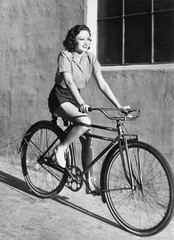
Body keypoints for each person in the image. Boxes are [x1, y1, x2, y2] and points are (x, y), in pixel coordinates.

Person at [48, 25, 130, 194]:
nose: (86, 42)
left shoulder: (90, 58)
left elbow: (102, 84)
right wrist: (81, 103)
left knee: (88, 139)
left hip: (75, 98)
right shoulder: (65, 56)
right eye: (82, 39)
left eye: (89, 39)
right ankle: (61, 148)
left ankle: (89, 182)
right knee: (85, 122)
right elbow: (69, 82)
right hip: (60, 98)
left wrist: (119, 105)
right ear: (73, 40)